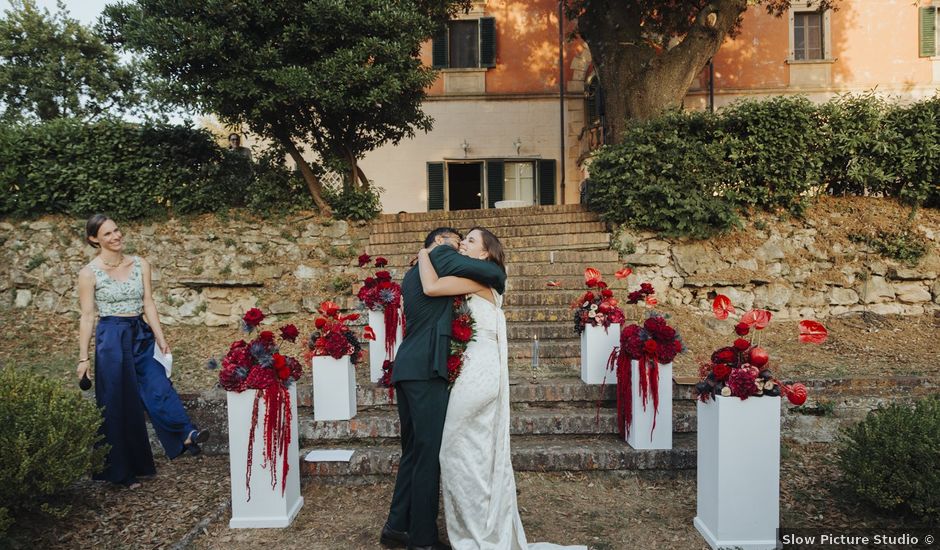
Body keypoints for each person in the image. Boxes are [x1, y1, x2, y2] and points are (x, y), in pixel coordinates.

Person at [416, 227, 585, 550]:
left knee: (452, 451)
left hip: (478, 372)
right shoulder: (479, 276)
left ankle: (476, 533)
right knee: (473, 453)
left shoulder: (483, 279)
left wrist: (426, 252)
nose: (461, 243)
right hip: (476, 369)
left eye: (469, 241)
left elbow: (432, 285)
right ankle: (481, 523)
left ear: (484, 254)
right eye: (462, 238)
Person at [381, 227, 507, 550]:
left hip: (408, 368)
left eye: (466, 240)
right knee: (428, 456)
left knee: (412, 453)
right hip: (425, 372)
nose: (459, 245)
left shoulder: (415, 271)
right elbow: (487, 272)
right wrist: (433, 252)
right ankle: (422, 540)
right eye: (455, 240)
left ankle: (396, 527)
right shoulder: (440, 255)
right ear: (439, 244)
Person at [77, 214, 209, 488]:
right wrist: (83, 358)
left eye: (117, 231)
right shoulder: (89, 274)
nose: (116, 237)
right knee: (117, 403)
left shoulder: (140, 264)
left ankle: (186, 434)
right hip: (111, 338)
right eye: (107, 234)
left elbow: (148, 303)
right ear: (94, 239)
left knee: (159, 384)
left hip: (140, 333)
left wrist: (161, 339)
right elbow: (87, 316)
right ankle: (122, 472)